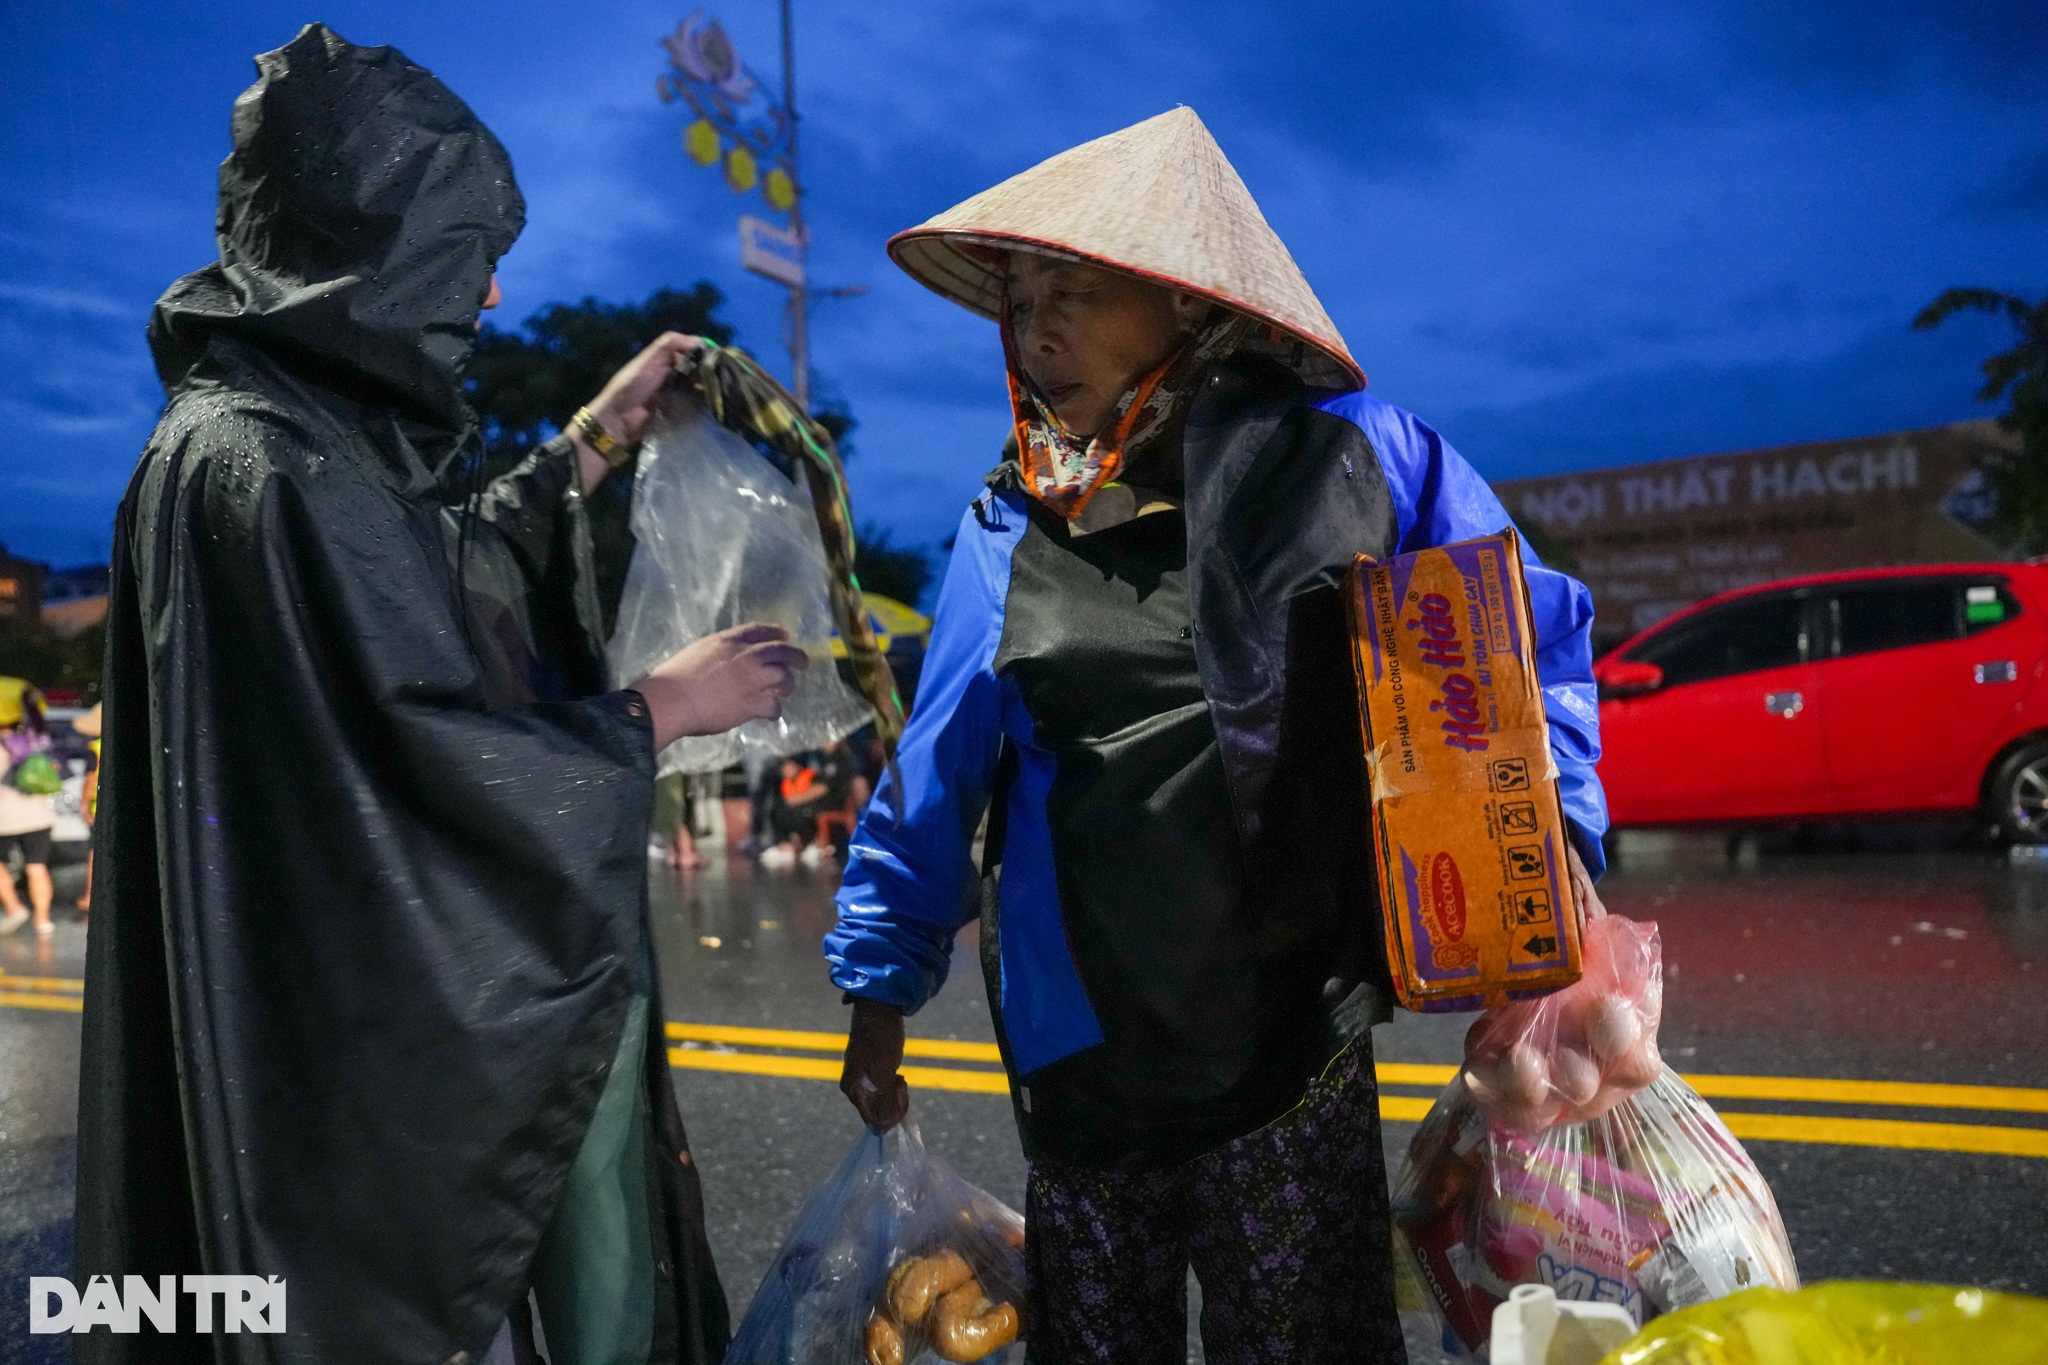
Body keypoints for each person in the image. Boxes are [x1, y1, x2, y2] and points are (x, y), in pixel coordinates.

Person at [825, 109, 1610, 1364]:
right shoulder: (1004, 522)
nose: (1037, 332)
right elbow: (936, 775)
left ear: (1186, 307)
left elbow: (1519, 646)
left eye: (1075, 291)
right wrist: (877, 987)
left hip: (1286, 1041)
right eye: (1022, 300)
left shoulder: (1360, 464)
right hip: (1083, 1067)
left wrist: (1555, 845)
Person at [76, 27, 811, 1365]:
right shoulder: (265, 464)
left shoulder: (276, 438)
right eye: (464, 255)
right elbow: (407, 765)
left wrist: (598, 432)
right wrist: (655, 710)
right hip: (326, 1103)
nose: (485, 296)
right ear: (373, 249)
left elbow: (430, 568)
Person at [0, 677, 58, 938]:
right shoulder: (35, 743)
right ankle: (43, 920)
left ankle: (13, 907)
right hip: (39, 817)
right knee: (37, 867)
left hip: (5, 819)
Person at [74, 700, 101, 913]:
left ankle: (90, 895)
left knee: (95, 852)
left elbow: (90, 781)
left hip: (97, 809)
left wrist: (83, 806)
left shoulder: (94, 748)